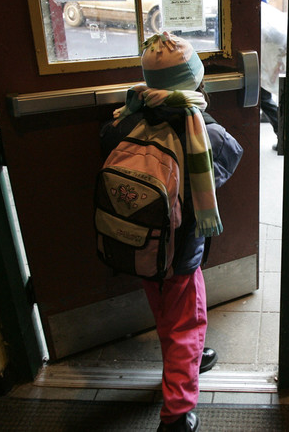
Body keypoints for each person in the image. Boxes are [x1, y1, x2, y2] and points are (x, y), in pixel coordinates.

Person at [101, 31, 243, 432]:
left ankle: (185, 359)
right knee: (187, 323)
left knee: (165, 311)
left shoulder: (123, 117)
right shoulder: (205, 131)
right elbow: (228, 162)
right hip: (181, 251)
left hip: (135, 243)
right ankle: (176, 414)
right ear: (196, 81)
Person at [260, 0, 287, 149]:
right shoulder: (260, 1)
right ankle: (268, 116)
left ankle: (282, 133)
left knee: (262, 95)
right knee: (265, 84)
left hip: (272, 44)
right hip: (275, 42)